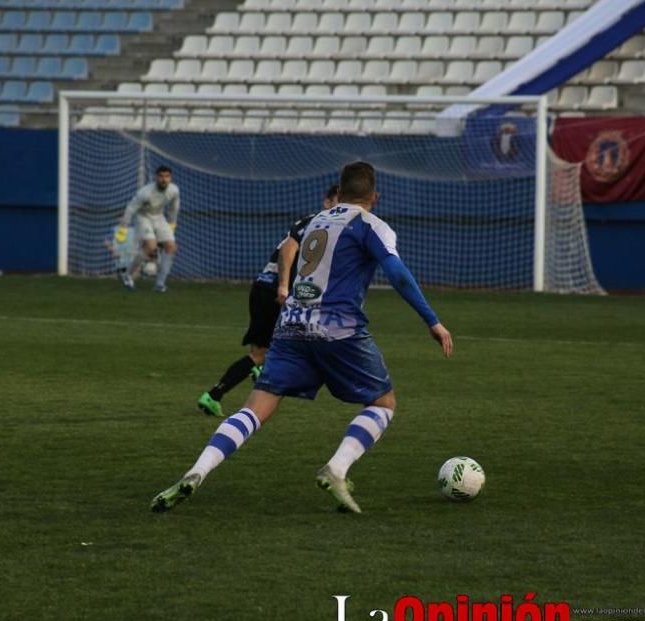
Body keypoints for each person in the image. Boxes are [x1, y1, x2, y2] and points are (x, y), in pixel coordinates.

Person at [152, 162, 454, 514]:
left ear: (338, 193)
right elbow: (398, 275)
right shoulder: (373, 225)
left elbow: (287, 249)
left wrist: (285, 285)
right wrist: (433, 321)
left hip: (291, 324)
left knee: (255, 408)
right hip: (339, 329)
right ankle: (337, 469)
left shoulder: (314, 220)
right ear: (376, 196)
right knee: (383, 403)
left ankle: (196, 471)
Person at [197, 184, 340, 417]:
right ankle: (214, 394)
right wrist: (288, 287)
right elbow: (290, 255)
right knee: (263, 352)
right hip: (274, 291)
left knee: (263, 349)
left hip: (261, 286)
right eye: (337, 201)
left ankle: (258, 373)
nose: (341, 207)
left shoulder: (306, 221)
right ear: (326, 202)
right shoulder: (322, 226)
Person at [118, 165, 179, 293]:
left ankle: (160, 284)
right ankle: (128, 275)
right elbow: (131, 208)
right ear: (156, 177)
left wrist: (172, 224)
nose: (164, 179)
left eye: (167, 176)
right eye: (161, 176)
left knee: (171, 246)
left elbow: (174, 208)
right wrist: (123, 227)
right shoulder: (145, 192)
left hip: (159, 216)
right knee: (151, 246)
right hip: (143, 216)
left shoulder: (174, 190)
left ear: (170, 178)